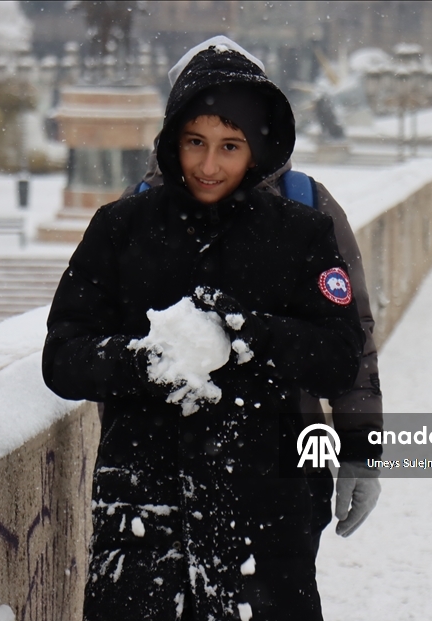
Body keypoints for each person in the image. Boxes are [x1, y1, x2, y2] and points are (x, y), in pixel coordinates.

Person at [43, 44, 365, 621]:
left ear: (259, 148)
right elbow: (63, 355)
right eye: (194, 142)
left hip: (265, 513)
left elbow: (340, 356)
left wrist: (250, 335)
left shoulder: (303, 232)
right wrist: (146, 362)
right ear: (170, 142)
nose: (208, 164)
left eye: (229, 145)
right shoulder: (121, 229)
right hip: (147, 519)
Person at [128, 37, 385, 553]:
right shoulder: (140, 210)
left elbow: (348, 333)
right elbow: (111, 339)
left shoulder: (306, 205)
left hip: (281, 470)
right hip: (167, 473)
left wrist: (360, 449)